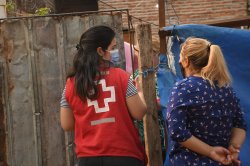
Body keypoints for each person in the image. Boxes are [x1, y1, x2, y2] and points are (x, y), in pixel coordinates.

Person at [60, 25, 147, 166]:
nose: (115, 52)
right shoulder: (121, 77)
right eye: (112, 47)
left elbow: (67, 124)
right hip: (124, 155)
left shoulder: (71, 84)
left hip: (88, 158)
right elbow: (139, 113)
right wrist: (141, 93)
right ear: (100, 51)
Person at [166, 37, 247, 165]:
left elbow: (177, 131)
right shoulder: (226, 89)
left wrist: (210, 151)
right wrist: (233, 148)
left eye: (180, 59)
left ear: (186, 61)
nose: (179, 62)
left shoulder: (183, 88)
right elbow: (240, 125)